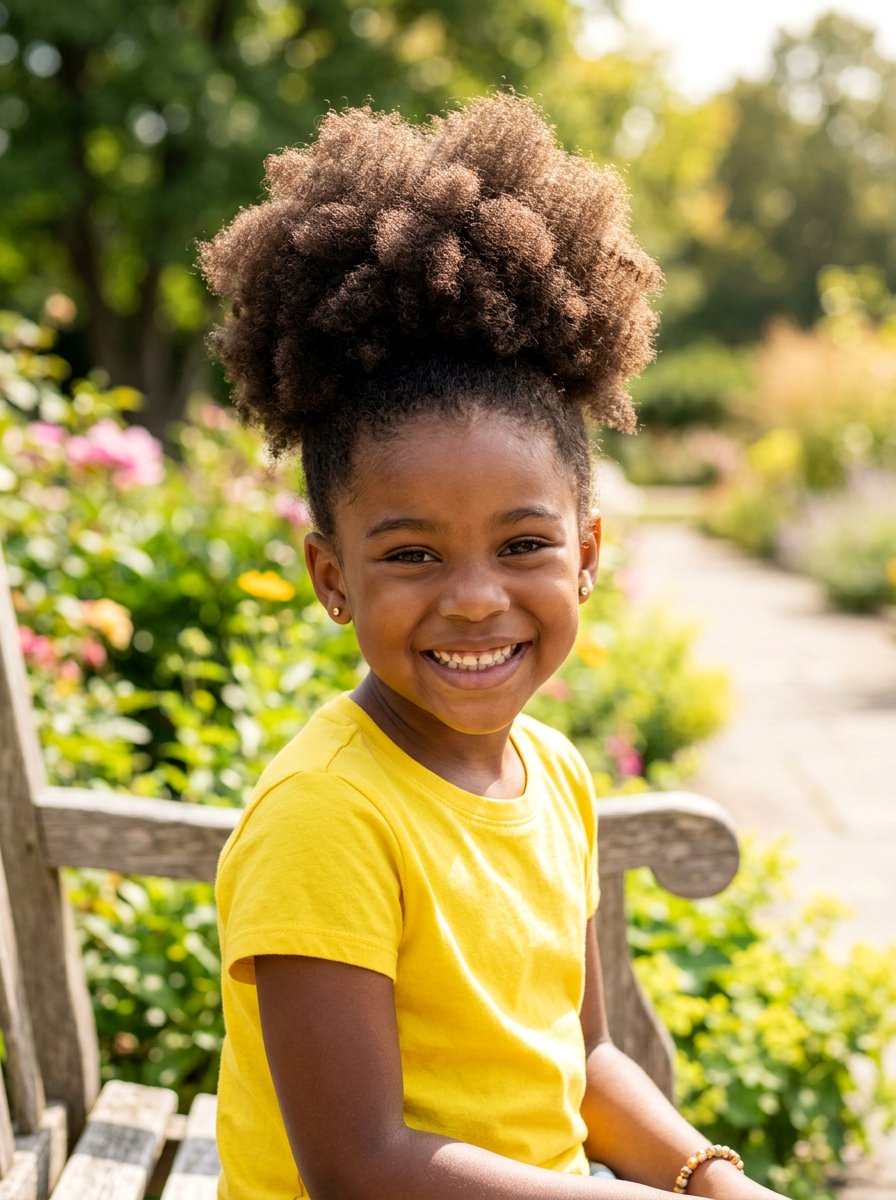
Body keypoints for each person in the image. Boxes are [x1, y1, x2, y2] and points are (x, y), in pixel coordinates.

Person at [201, 93, 787, 1200]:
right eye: (413, 555)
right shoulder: (327, 817)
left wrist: (707, 1177)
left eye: (522, 543)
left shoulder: (555, 778)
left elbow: (586, 1059)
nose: (475, 600)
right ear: (332, 577)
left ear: (585, 554)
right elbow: (359, 1168)